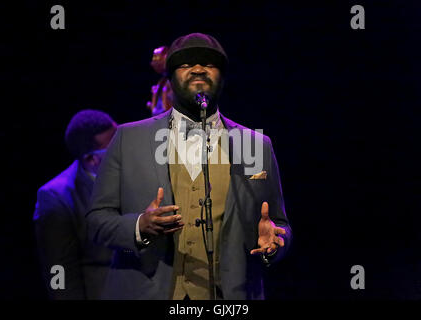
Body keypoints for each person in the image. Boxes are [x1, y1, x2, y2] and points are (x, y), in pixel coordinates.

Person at [86, 33, 292, 300]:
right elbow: (96, 222)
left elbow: (279, 224)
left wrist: (275, 243)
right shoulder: (129, 138)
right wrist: (139, 226)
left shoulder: (254, 144)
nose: (198, 68)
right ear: (169, 79)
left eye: (209, 63)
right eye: (186, 64)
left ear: (223, 77)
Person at [34, 109, 117, 299]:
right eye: (113, 146)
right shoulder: (56, 198)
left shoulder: (133, 174)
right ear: (91, 158)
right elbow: (59, 268)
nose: (122, 147)